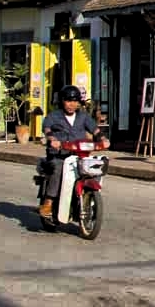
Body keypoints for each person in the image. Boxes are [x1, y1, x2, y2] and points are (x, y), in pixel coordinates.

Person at [38, 85, 109, 218]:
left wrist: (103, 139)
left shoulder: (83, 116)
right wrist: (52, 139)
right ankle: (48, 202)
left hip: (79, 155)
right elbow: (47, 130)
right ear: (62, 101)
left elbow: (95, 130)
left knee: (94, 167)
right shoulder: (54, 116)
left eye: (75, 101)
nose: (72, 104)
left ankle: (88, 200)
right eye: (68, 101)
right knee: (58, 168)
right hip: (59, 155)